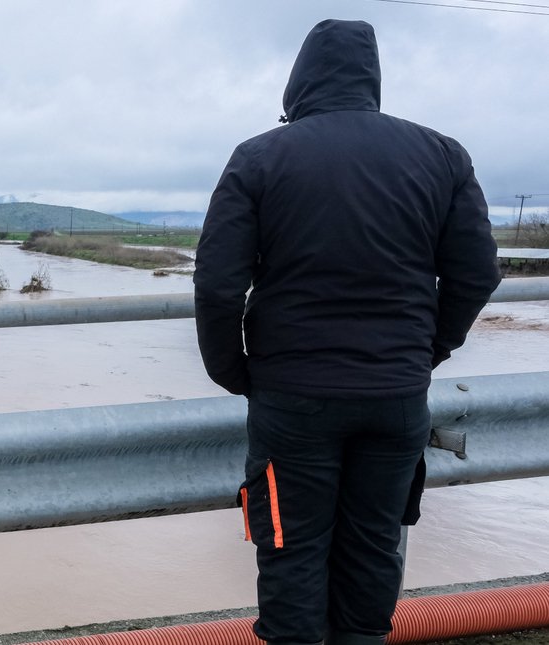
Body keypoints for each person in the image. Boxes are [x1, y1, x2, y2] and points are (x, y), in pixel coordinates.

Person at [193, 19, 501, 645]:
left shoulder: (259, 157)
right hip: (395, 398)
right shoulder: (442, 154)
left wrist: (234, 372)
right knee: (372, 550)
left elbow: (219, 286)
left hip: (292, 398)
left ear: (298, 79)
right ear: (374, 77)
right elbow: (476, 275)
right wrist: (427, 351)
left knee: (292, 552)